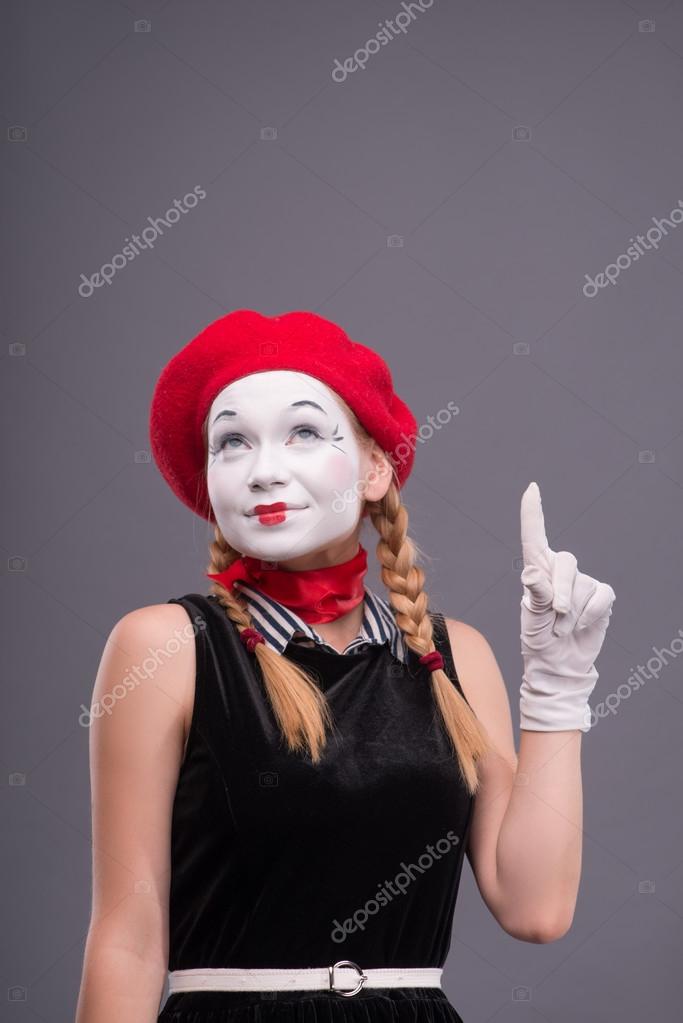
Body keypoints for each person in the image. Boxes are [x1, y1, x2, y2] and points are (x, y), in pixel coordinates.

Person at [75, 309, 615, 1023]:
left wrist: (557, 686)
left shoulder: (454, 657)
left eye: (303, 432)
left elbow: (535, 907)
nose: (264, 470)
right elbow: (127, 938)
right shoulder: (165, 648)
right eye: (231, 442)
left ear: (374, 469)